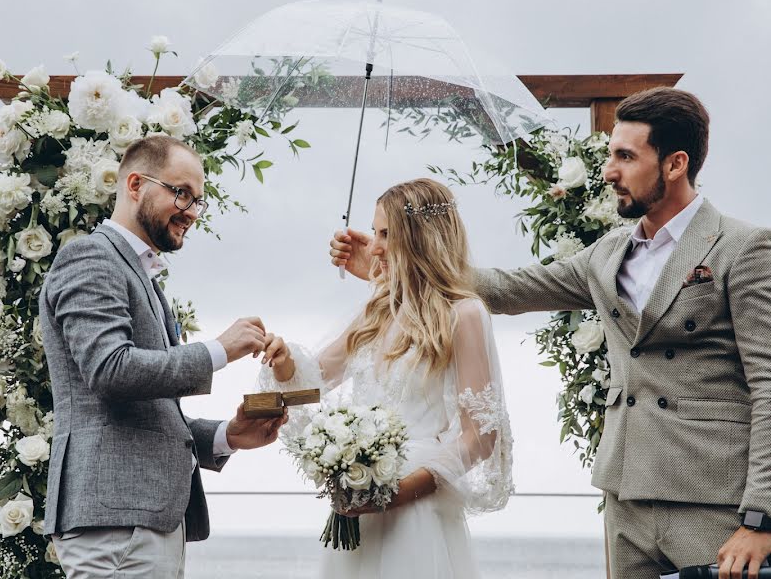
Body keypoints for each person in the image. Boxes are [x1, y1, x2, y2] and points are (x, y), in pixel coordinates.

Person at [330, 87, 771, 579]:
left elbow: (768, 386)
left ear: (675, 164)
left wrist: (761, 517)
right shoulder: (607, 253)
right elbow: (510, 289)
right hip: (625, 494)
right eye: (609, 155)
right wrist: (392, 265)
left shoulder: (742, 248)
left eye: (626, 156)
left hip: (712, 502)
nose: (608, 171)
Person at [39, 134, 287, 578]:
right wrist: (219, 350)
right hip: (113, 524)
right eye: (181, 193)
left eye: (198, 200)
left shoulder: (140, 275)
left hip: (143, 523)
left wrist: (229, 435)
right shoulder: (90, 256)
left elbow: (147, 412)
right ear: (135, 184)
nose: (191, 211)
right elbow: (110, 370)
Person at [262, 178, 513, 578]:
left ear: (421, 239)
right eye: (374, 231)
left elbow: (480, 437)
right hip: (360, 507)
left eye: (385, 234)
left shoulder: (463, 315)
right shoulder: (376, 312)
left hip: (416, 508)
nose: (374, 246)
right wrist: (284, 362)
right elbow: (310, 386)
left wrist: (398, 492)